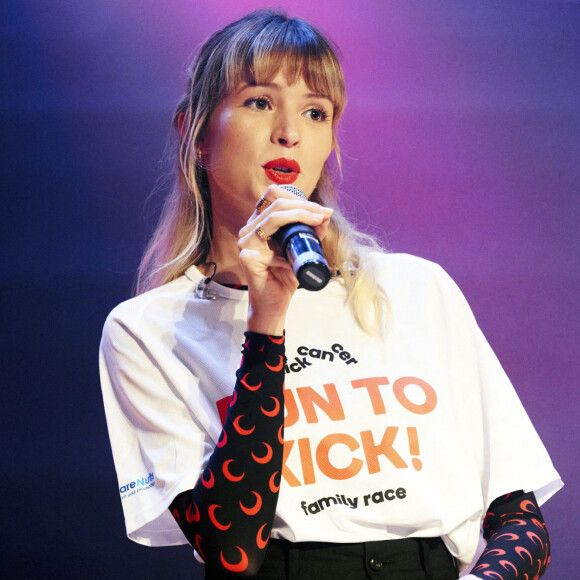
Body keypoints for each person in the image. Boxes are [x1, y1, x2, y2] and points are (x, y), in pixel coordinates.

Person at [99, 10, 562, 579]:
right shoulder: (147, 330)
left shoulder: (417, 290)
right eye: (260, 102)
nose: (289, 131)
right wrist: (265, 325)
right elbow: (232, 550)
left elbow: (520, 518)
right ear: (194, 134)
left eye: (315, 112)